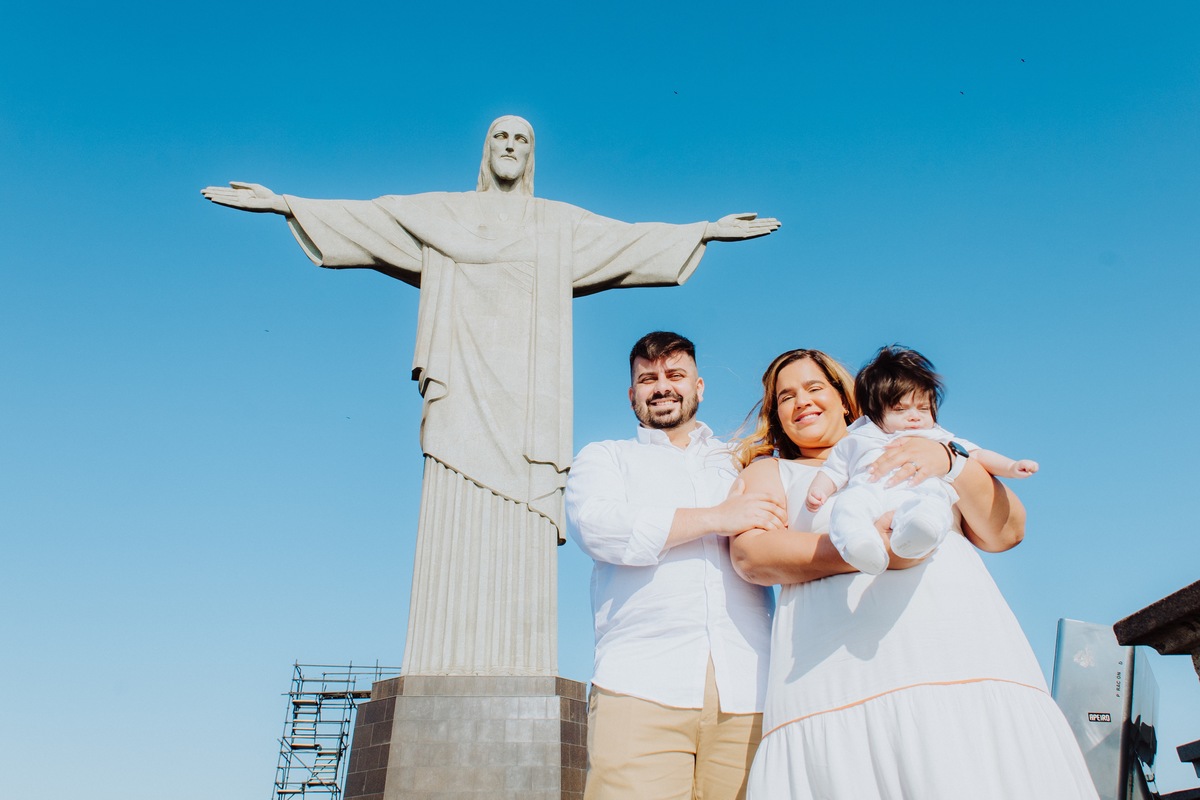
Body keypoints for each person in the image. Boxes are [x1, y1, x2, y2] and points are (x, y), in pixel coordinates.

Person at [201, 116, 780, 676]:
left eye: (521, 139)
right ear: (486, 150)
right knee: (455, 497)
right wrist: (286, 204)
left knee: (527, 502)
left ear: (531, 156)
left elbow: (626, 239)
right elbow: (372, 218)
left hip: (531, 401)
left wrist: (703, 231)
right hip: (462, 388)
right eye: (500, 136)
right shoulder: (442, 214)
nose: (509, 145)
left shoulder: (557, 225)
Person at [729, 348, 1097, 799]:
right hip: (833, 681)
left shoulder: (926, 442)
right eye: (785, 397)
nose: (800, 401)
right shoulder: (772, 471)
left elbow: (1007, 531)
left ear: (846, 400)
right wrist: (875, 551)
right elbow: (752, 554)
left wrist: (951, 464)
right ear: (776, 414)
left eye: (813, 387)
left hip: (963, 659)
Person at [565, 331, 784, 800]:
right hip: (639, 683)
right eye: (648, 378)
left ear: (699, 386)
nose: (661, 386)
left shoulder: (742, 461)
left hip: (750, 687)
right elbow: (599, 527)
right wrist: (716, 519)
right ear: (632, 394)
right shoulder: (605, 457)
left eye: (674, 375)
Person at [806, 345, 1039, 575]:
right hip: (869, 490)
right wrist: (819, 491)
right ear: (875, 413)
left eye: (923, 408)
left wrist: (1011, 466)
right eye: (900, 409)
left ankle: (919, 535)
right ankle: (858, 545)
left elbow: (978, 456)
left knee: (932, 506)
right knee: (849, 506)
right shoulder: (858, 438)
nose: (914, 417)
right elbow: (834, 469)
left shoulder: (937, 437)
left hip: (921, 490)